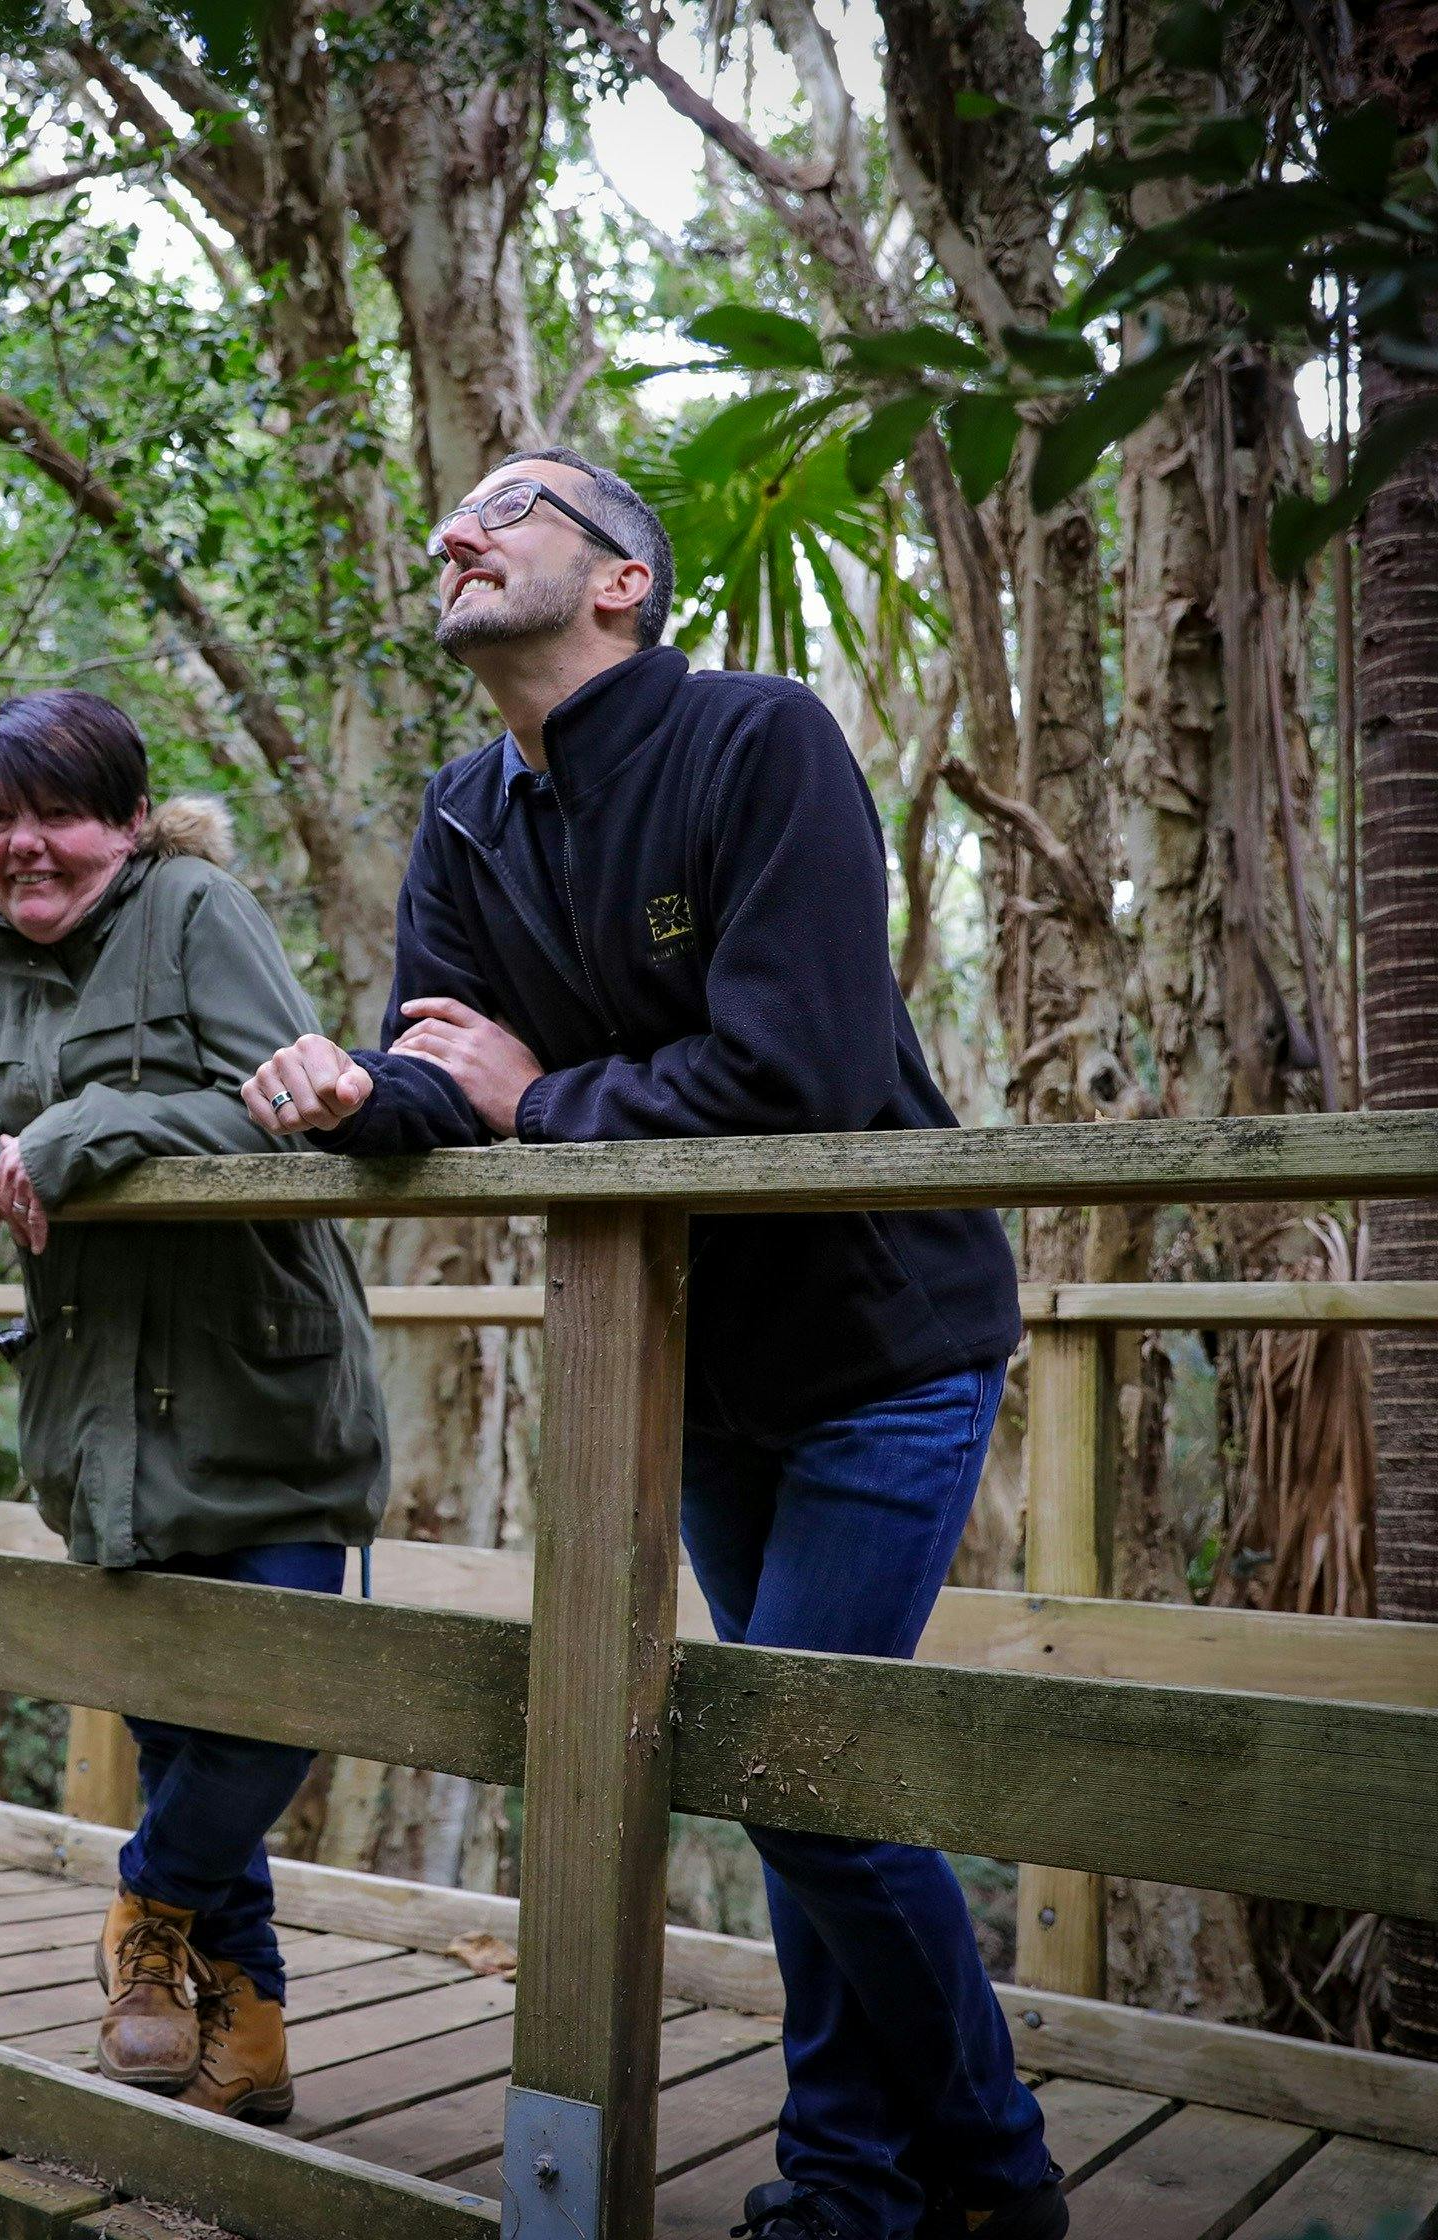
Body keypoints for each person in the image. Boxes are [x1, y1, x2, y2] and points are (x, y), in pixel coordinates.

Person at [239, 452, 1062, 2240]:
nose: (455, 530)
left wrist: (536, 1098)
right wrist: (339, 1087)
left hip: (882, 1340)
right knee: (787, 1779)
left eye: (512, 508)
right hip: (687, 1371)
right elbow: (433, 1075)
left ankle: (994, 2183)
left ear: (619, 582)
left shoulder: (759, 743)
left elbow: (799, 1078)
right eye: (450, 513)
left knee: (804, 1783)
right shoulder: (470, 812)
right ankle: (848, 2190)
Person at [0, 688, 389, 2125]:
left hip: (262, 1385)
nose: (25, 847)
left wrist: (80, 1130)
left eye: (58, 817)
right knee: (178, 1726)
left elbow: (287, 1104)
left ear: (126, 819)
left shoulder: (196, 908)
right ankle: (254, 2044)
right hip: (97, 1409)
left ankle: (144, 1905)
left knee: (274, 1699)